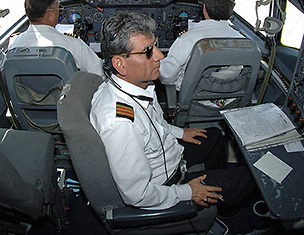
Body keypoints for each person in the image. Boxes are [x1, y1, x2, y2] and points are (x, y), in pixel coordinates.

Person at [90, 11, 254, 212]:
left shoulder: (134, 86)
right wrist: (187, 191)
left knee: (214, 137)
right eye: (148, 51)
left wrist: (180, 133)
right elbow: (138, 195)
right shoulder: (120, 122)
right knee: (251, 177)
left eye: (156, 46)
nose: (160, 55)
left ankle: (219, 204)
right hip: (167, 184)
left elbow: (151, 125)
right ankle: (218, 204)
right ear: (120, 64)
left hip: (173, 156)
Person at [159, 0, 243, 91]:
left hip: (193, 103)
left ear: (204, 8)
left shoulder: (187, 40)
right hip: (231, 100)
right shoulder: (244, 42)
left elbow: (166, 77)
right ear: (231, 10)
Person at [8, 0, 104, 77]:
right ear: (50, 13)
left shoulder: (14, 45)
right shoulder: (74, 45)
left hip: (28, 94)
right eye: (59, 8)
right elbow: (100, 74)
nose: (59, 12)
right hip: (67, 94)